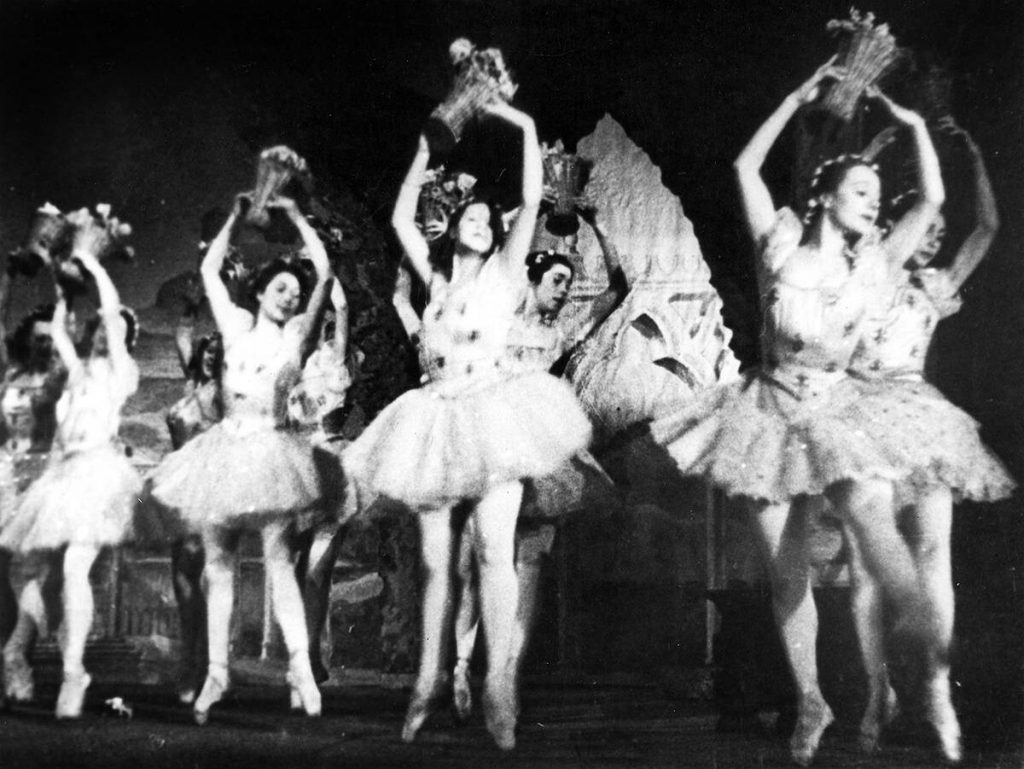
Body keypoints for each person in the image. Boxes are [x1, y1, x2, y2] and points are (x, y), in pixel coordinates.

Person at [648, 60, 948, 766]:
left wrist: (911, 124)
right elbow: (744, 167)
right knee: (787, 573)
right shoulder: (779, 244)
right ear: (825, 197)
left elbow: (932, 200)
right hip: (769, 412)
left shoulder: (874, 264)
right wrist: (793, 97)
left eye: (877, 196)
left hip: (838, 410)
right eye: (861, 192)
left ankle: (915, 644)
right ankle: (811, 698)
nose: (873, 204)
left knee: (872, 519)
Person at [344, 101, 591, 750]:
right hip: (434, 418)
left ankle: (499, 683)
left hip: (493, 414)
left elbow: (532, 200)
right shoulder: (434, 286)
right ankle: (428, 679)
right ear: (454, 225)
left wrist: (520, 120)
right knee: (435, 565)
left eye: (488, 219)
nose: (482, 224)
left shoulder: (505, 277)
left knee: (492, 550)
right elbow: (401, 218)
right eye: (472, 217)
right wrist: (430, 143)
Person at [841, 119, 1014, 762]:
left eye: (939, 235)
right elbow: (849, 212)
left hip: (919, 416)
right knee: (866, 568)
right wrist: (873, 152)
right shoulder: (866, 269)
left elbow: (987, 230)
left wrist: (976, 156)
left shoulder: (936, 288)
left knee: (934, 552)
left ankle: (939, 689)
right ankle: (875, 691)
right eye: (926, 229)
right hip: (860, 415)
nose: (934, 240)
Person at [148, 193, 337, 724]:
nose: (289, 297)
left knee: (279, 563)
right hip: (225, 451)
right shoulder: (233, 326)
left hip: (273, 451)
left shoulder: (296, 337)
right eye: (280, 289)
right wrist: (234, 216)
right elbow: (210, 270)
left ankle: (300, 667)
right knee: (219, 565)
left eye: (294, 293)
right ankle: (216, 672)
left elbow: (324, 273)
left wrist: (296, 217)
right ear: (258, 292)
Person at [450, 202, 628, 723]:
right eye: (556, 280)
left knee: (530, 560)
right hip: (492, 443)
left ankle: (506, 672)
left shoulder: (557, 333)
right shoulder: (498, 315)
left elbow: (616, 289)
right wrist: (519, 220)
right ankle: (461, 665)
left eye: (568, 284)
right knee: (474, 559)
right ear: (531, 278)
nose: (563, 291)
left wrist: (596, 224)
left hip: (541, 450)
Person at [0, 212, 142, 719]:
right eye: (101, 328)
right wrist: (61, 279)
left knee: (75, 567)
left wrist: (92, 262)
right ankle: (21, 653)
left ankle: (72, 671)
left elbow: (110, 309)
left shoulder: (122, 372)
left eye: (114, 328)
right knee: (34, 572)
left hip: (98, 475)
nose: (105, 331)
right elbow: (61, 328)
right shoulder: (78, 372)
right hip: (63, 476)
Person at [0, 295, 68, 704]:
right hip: (4, 475)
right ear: (27, 340)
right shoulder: (10, 376)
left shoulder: (58, 379)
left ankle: (17, 654)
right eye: (38, 337)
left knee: (36, 575)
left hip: (41, 479)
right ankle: (9, 661)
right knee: (3, 579)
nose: (44, 344)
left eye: (50, 338)